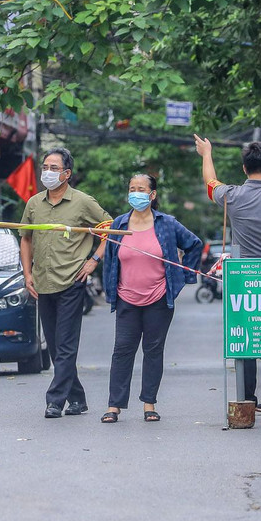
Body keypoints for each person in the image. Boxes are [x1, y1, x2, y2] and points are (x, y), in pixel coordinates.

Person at [194, 134, 261, 419]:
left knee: (247, 336)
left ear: (244, 169)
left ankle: (247, 398)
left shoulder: (233, 196)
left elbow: (210, 184)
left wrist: (207, 154)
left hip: (245, 276)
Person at [100, 174, 204, 423]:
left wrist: (181, 280)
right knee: (122, 350)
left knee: (153, 350)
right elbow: (110, 261)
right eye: (132, 188)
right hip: (127, 298)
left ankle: (149, 404)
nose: (136, 193)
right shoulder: (119, 224)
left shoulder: (167, 224)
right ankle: (114, 406)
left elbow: (194, 245)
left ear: (152, 195)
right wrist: (110, 292)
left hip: (159, 298)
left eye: (141, 189)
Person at [20, 148, 113, 419]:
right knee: (55, 343)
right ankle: (78, 398)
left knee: (66, 346)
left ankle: (54, 400)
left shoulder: (83, 202)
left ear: (66, 173)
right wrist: (27, 274)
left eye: (53, 168)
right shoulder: (34, 204)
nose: (47, 172)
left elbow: (111, 229)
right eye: (45, 166)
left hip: (72, 282)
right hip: (42, 282)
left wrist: (94, 260)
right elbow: (26, 239)